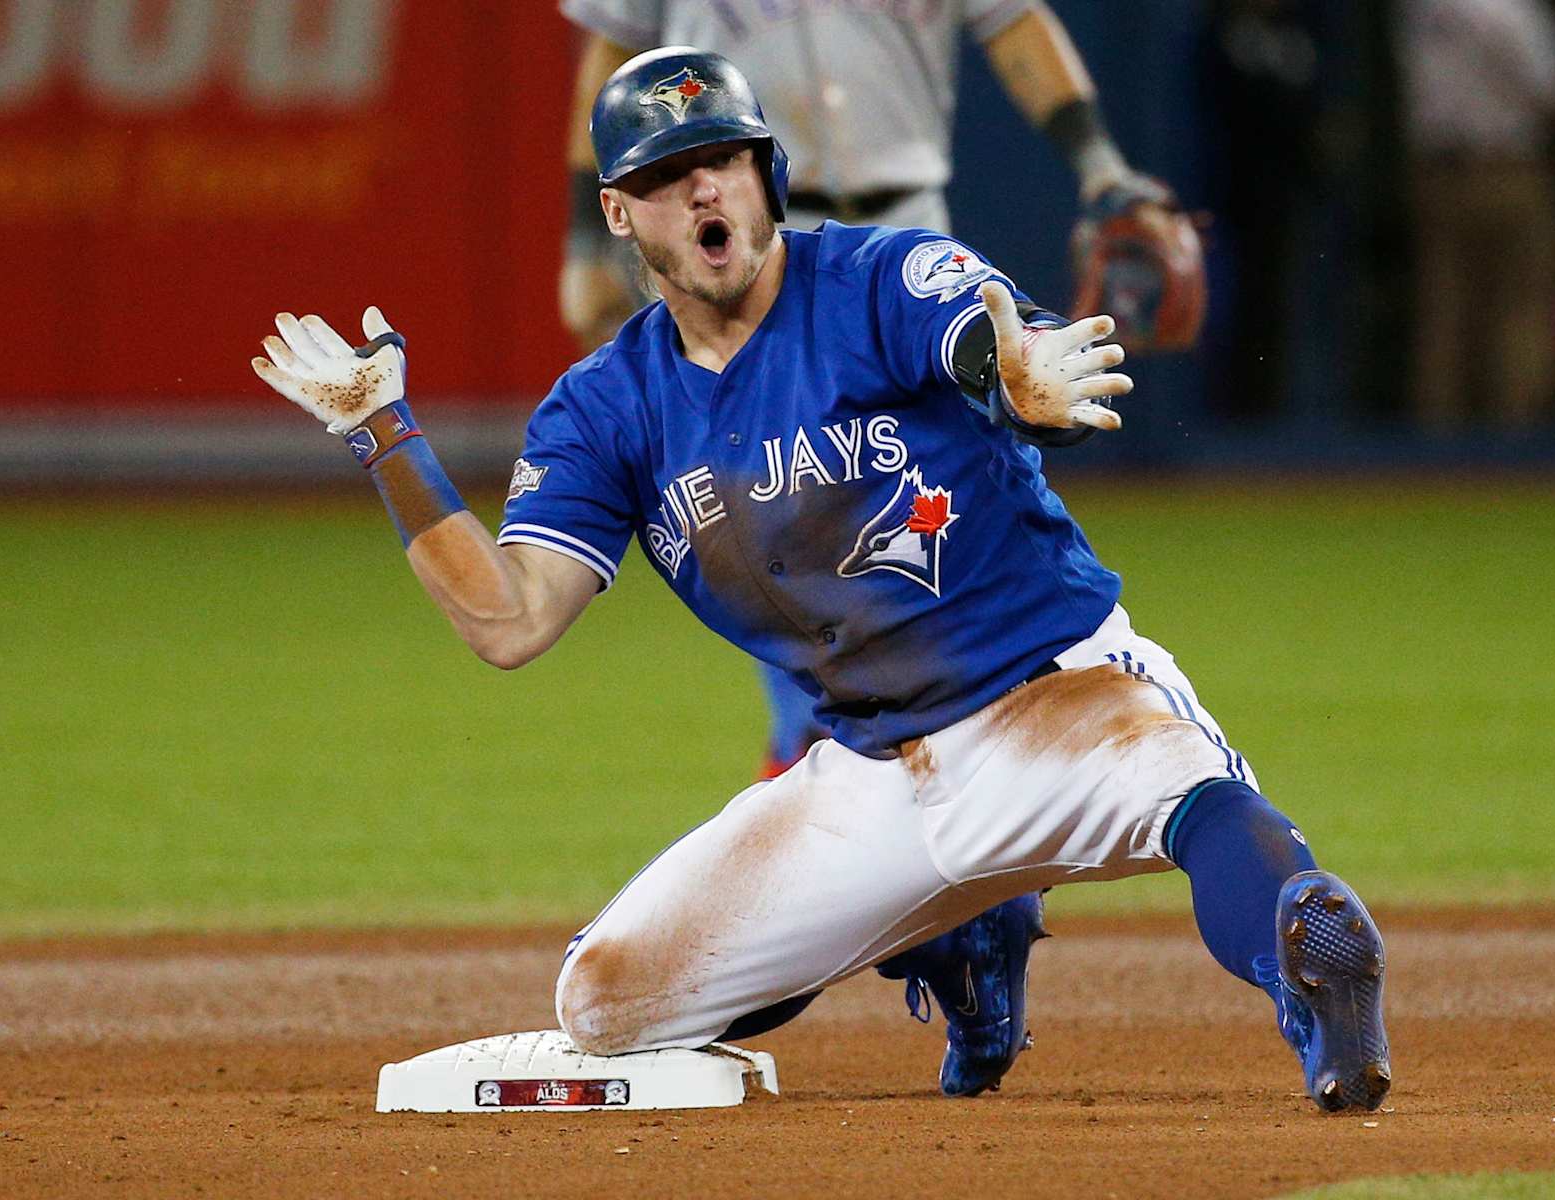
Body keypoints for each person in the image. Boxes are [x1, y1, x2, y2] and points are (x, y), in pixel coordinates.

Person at [252, 48, 1388, 1110]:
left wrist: (1022, 369)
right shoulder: (607, 407)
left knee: (1203, 806)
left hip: (1056, 698)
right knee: (602, 1003)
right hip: (868, 776)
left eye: (725, 163)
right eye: (667, 177)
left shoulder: (875, 276)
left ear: (767, 175)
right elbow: (507, 622)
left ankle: (1320, 981)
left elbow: (986, 333)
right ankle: (962, 941)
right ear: (617, 214)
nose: (706, 195)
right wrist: (386, 441)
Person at [557, 0, 1204, 776]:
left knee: (961, 518)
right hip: (738, 247)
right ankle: (826, 762)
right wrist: (585, 239)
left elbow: (1014, 22)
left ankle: (955, 751)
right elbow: (615, 60)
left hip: (899, 240)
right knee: (791, 522)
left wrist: (1100, 162)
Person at [1398, 0, 1555, 432]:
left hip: (1439, 172)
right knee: (1519, 314)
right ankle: (1514, 452)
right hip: (1508, 169)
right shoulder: (1512, 9)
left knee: (1445, 316)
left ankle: (1434, 460)